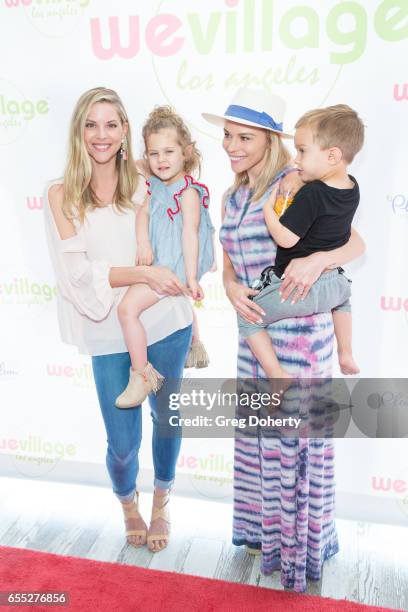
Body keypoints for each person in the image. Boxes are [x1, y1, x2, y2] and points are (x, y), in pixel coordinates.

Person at [202, 88, 365, 592]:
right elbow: (229, 261)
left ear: (271, 139)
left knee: (293, 449)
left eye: (244, 137)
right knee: (258, 444)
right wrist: (230, 288)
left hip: (296, 337)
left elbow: (355, 241)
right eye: (228, 135)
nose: (231, 145)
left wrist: (317, 260)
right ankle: (261, 537)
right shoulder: (232, 194)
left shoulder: (294, 182)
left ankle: (297, 551)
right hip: (253, 334)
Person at [44, 87, 193, 553]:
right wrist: (142, 271)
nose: (101, 135)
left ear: (126, 130)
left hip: (166, 319)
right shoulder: (61, 194)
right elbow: (78, 275)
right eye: (91, 124)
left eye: (111, 124)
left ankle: (162, 500)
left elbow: (196, 193)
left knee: (167, 418)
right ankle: (128, 502)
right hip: (107, 330)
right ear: (78, 132)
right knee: (123, 442)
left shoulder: (148, 175)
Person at [237, 104, 363, 379]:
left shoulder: (309, 193)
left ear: (332, 156)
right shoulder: (352, 186)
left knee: (247, 318)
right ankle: (347, 352)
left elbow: (285, 238)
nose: (296, 159)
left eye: (302, 151)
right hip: (336, 285)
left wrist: (268, 211)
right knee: (344, 303)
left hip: (296, 292)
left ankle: (276, 376)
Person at [115, 106, 215, 409]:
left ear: (185, 152)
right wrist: (143, 243)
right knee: (179, 300)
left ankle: (141, 374)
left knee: (127, 310)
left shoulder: (187, 193)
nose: (161, 160)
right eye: (153, 153)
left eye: (169, 152)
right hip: (162, 255)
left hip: (175, 261)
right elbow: (143, 210)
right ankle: (195, 345)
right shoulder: (156, 181)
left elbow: (190, 234)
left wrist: (191, 277)